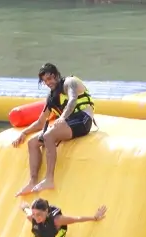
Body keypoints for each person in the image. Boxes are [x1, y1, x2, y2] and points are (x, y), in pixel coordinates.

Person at [13, 63, 96, 196]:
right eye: (45, 80)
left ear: (57, 75)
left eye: (51, 78)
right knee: (33, 143)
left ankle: (49, 179)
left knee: (48, 136)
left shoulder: (70, 82)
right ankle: (33, 181)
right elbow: (40, 122)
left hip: (83, 120)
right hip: (68, 122)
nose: (49, 82)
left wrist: (62, 117)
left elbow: (73, 100)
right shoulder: (52, 97)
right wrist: (24, 132)